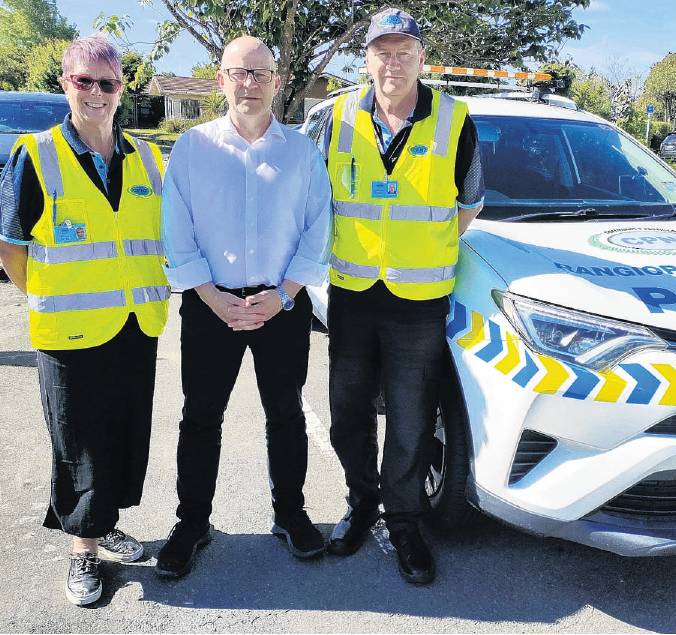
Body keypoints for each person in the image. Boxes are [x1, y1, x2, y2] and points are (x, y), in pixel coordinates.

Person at [0, 36, 168, 606]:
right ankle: (82, 552)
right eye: (83, 81)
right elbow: (11, 247)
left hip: (133, 324)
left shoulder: (148, 158)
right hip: (69, 333)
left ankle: (102, 523)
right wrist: (45, 294)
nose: (96, 93)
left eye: (107, 83)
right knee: (78, 441)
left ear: (121, 89)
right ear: (65, 84)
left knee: (123, 435)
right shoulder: (38, 153)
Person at [155, 35, 332, 578]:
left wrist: (282, 298)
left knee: (286, 415)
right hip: (211, 306)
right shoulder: (192, 148)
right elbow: (176, 232)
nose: (249, 83)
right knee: (201, 418)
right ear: (220, 79)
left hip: (283, 304)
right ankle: (192, 524)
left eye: (260, 73)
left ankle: (290, 514)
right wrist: (210, 296)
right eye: (239, 72)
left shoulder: (301, 151)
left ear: (277, 82)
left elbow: (318, 230)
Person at [323, 8, 484, 584]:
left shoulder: (454, 119)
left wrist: (418, 250)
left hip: (418, 300)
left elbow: (468, 205)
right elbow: (319, 196)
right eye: (381, 52)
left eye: (403, 51)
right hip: (352, 293)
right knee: (347, 413)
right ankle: (362, 500)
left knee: (413, 420)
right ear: (366, 58)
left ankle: (405, 520)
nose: (392, 62)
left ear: (421, 56)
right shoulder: (339, 116)